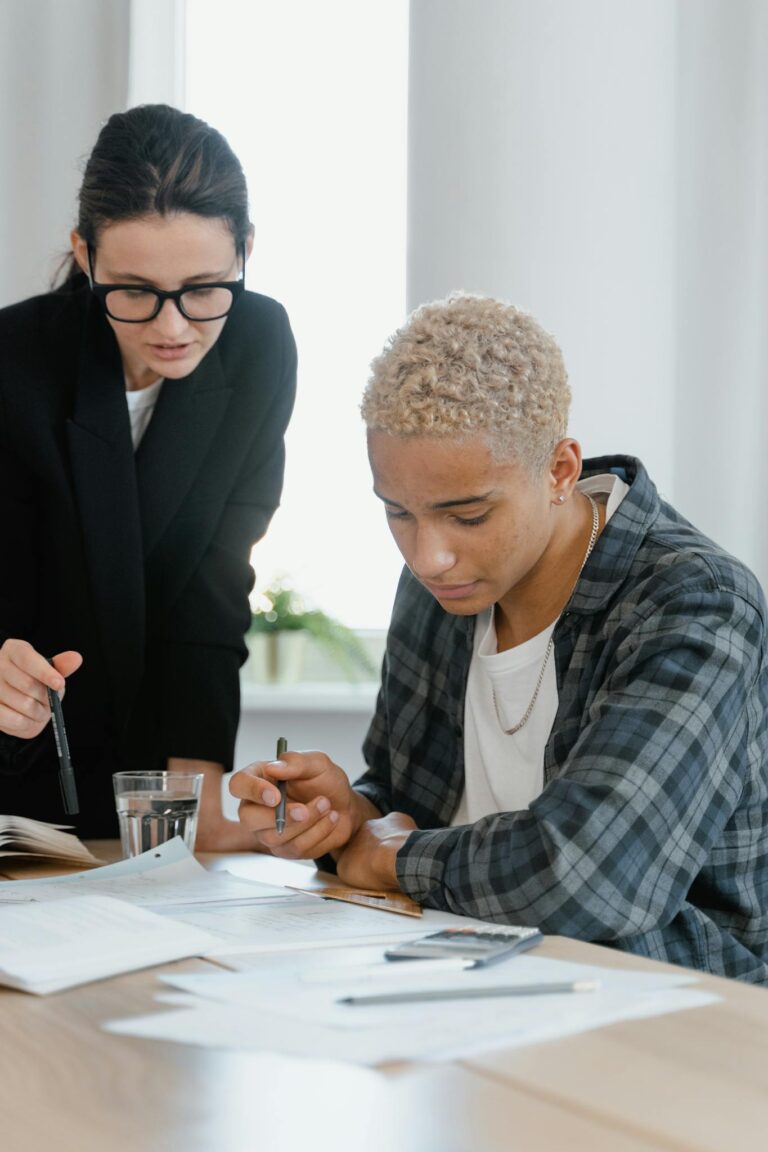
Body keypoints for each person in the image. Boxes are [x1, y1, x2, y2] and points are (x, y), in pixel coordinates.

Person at [231, 293, 768, 983]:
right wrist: (345, 816)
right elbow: (410, 806)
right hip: (467, 980)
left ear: (560, 471)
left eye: (469, 516)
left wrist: (393, 858)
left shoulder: (694, 602)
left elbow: (590, 875)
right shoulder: (443, 589)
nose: (429, 557)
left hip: (677, 1014)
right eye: (398, 513)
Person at [0, 104, 296, 848]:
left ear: (245, 252)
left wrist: (191, 815)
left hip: (144, 787)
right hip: (22, 771)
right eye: (132, 290)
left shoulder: (259, 345)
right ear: (84, 254)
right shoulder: (14, 361)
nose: (173, 327)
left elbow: (215, 581)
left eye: (203, 289)